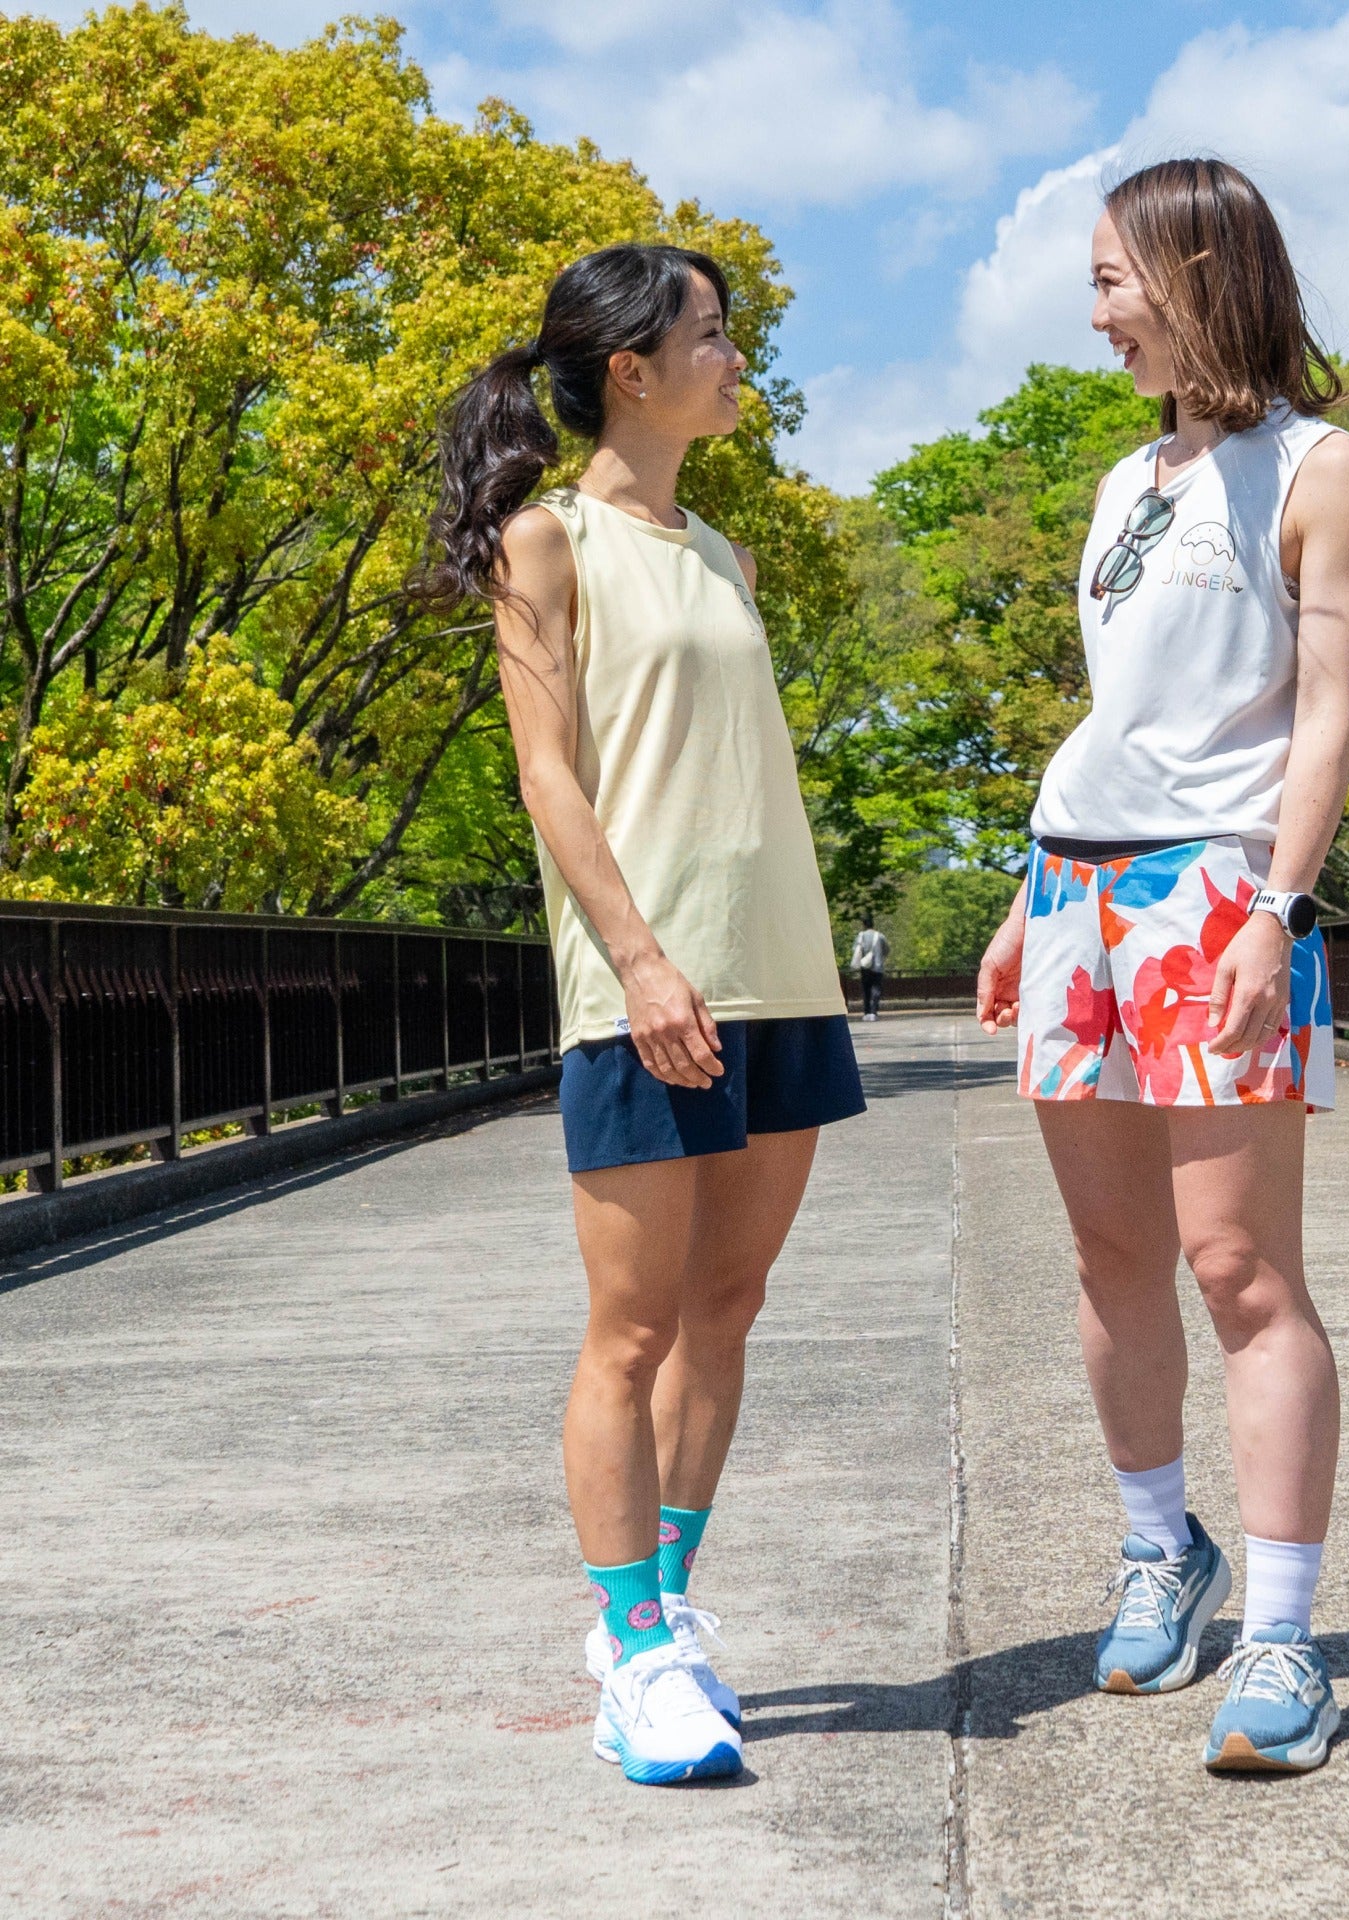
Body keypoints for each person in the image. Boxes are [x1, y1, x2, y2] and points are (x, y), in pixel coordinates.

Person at [423, 243, 865, 1785]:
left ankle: (658, 1620)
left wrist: (753, 966)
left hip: (782, 975)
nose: (735, 357)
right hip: (644, 986)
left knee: (727, 1311)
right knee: (631, 1329)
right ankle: (628, 1646)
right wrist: (643, 960)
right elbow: (551, 775)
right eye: (713, 335)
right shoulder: (544, 543)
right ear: (631, 366)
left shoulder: (726, 555)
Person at [975, 159, 1349, 1775]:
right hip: (1077, 888)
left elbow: (1327, 711)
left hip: (1224, 894)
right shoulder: (1125, 481)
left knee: (1240, 1268)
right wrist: (1028, 894)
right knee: (1108, 1258)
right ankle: (1165, 1550)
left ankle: (1284, 1646)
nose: (1095, 315)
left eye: (1110, 282)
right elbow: (1118, 722)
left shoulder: (1323, 467)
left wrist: (1279, 913)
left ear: (1195, 269)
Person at [850, 917, 889, 1020]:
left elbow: (855, 949)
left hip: (865, 967)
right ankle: (873, 1012)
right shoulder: (880, 936)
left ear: (864, 925)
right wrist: (880, 956)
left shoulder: (861, 936)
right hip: (877, 966)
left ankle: (866, 1012)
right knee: (876, 989)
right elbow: (886, 950)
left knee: (866, 989)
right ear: (873, 924)